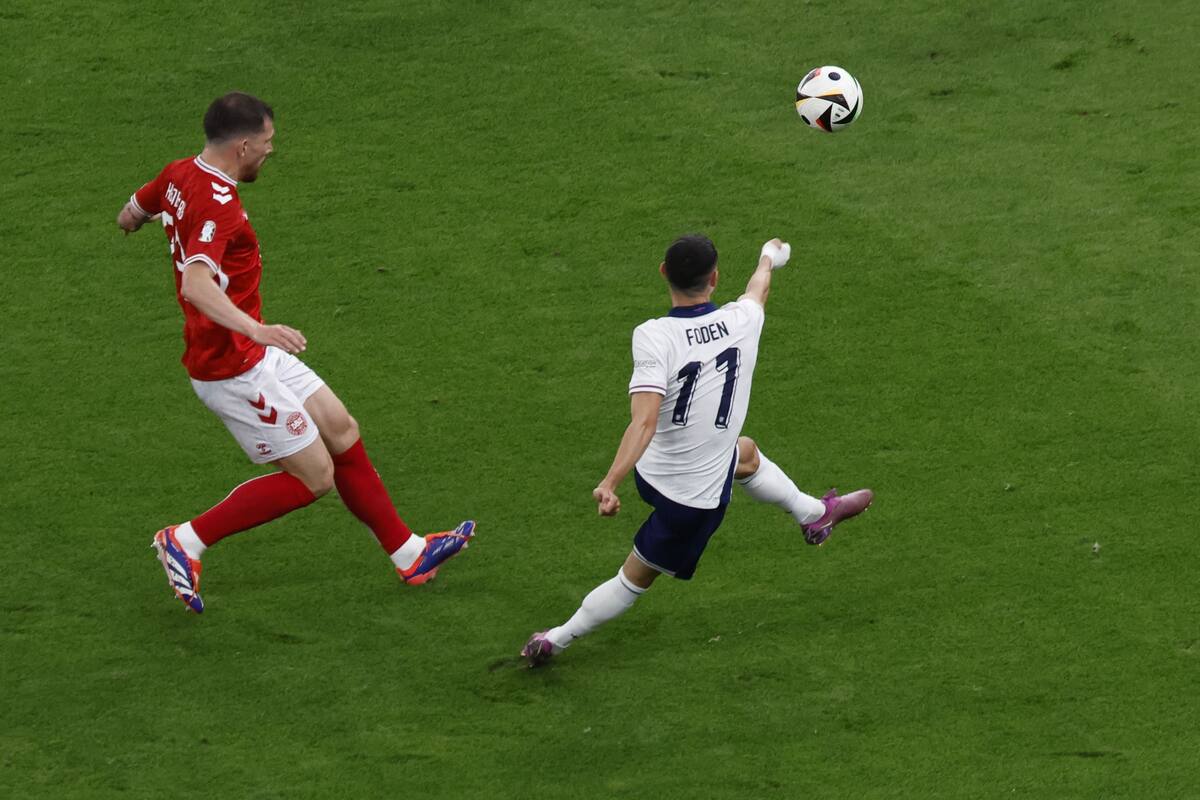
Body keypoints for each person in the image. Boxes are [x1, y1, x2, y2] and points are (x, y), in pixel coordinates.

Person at [117, 92, 474, 613]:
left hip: (251, 352)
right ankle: (185, 539)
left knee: (341, 429)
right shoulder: (218, 202)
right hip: (232, 365)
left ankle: (409, 552)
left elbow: (133, 211)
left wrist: (134, 219)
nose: (269, 152)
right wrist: (256, 331)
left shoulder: (177, 173)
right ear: (242, 145)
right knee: (314, 477)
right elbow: (196, 285)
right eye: (266, 144)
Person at [521, 234, 872, 665]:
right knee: (635, 577)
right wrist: (768, 256)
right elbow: (758, 289)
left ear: (663, 272)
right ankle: (556, 640)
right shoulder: (743, 319)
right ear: (715, 277)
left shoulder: (652, 335)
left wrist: (614, 481)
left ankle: (814, 515)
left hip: (651, 472)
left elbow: (644, 420)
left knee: (744, 453)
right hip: (692, 500)